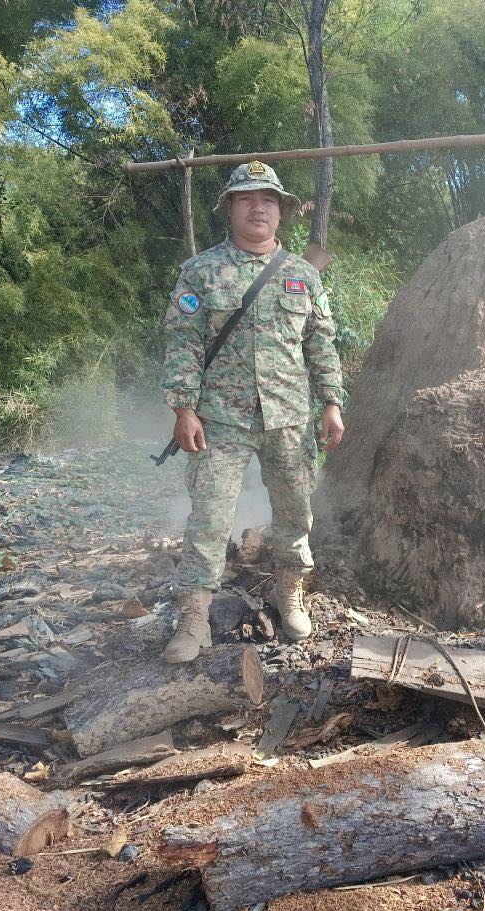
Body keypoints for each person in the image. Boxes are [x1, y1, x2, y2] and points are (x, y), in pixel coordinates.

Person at [160, 160, 346, 663]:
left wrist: (331, 403)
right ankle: (194, 619)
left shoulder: (302, 274)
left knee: (295, 513)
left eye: (267, 200)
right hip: (220, 419)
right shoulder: (201, 271)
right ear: (230, 209)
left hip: (289, 418)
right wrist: (183, 408)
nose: (258, 207)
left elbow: (321, 344)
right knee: (209, 518)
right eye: (247, 199)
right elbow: (182, 343)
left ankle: (290, 594)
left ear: (281, 211)